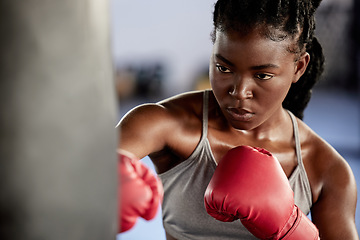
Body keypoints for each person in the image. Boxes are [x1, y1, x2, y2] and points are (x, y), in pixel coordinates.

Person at [117, 0, 359, 239]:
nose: (239, 91)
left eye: (262, 75)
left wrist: (292, 230)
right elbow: (94, 166)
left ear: (299, 67)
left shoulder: (325, 170)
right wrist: (104, 179)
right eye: (224, 68)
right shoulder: (166, 123)